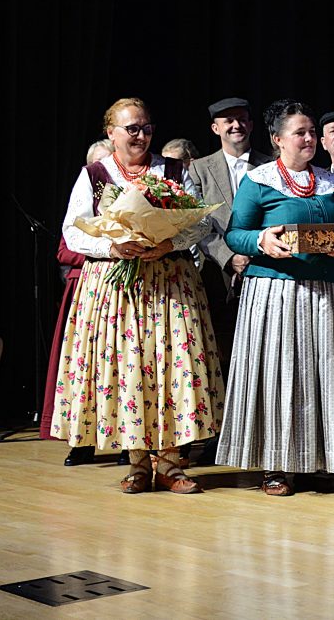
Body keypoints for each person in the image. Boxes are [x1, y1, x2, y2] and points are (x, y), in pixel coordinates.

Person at [51, 97, 224, 493]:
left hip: (169, 281)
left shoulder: (173, 170)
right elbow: (73, 230)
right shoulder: (95, 174)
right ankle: (138, 464)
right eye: (132, 129)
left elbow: (201, 223)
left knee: (174, 366)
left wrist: (170, 241)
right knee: (129, 368)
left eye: (147, 128)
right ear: (111, 133)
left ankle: (172, 464)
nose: (141, 136)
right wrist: (112, 247)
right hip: (119, 286)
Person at [215, 100, 334, 495]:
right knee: (279, 374)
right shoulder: (259, 181)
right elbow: (235, 234)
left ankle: (323, 459)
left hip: (327, 292)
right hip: (276, 291)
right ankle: (276, 465)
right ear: (277, 139)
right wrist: (261, 241)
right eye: (300, 132)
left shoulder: (329, 183)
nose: (309, 138)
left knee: (326, 373)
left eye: (312, 132)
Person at [188, 97, 273, 464]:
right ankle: (220, 434)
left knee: (263, 354)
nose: (236, 126)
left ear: (251, 125)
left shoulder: (272, 165)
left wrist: (254, 252)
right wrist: (228, 256)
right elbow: (196, 224)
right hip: (216, 275)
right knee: (220, 354)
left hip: (264, 269)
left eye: (241, 119)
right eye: (228, 121)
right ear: (215, 128)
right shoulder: (198, 169)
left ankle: (262, 431)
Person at [44, 140, 114, 463]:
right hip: (87, 289)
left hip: (123, 289)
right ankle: (82, 440)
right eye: (99, 164)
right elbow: (65, 249)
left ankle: (125, 443)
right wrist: (103, 249)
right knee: (86, 368)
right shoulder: (84, 202)